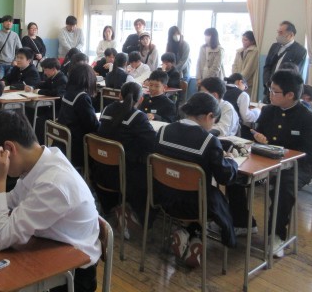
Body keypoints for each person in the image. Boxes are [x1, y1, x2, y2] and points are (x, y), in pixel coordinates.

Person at [0, 111, 101, 292]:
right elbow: (14, 198)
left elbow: (0, 239)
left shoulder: (52, 183)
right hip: (51, 249)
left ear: (9, 149)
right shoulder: (41, 160)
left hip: (74, 275)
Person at [153, 93, 241, 268]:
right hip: (196, 205)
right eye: (214, 120)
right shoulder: (208, 141)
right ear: (209, 116)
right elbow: (224, 177)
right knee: (212, 196)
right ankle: (194, 237)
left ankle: (189, 233)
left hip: (163, 197)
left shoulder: (163, 131)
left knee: (195, 189)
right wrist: (231, 161)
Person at [251, 70, 312, 257]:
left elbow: (309, 155)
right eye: (270, 89)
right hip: (265, 161)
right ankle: (242, 222)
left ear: (290, 95)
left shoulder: (311, 119)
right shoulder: (268, 110)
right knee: (235, 175)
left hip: (297, 167)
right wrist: (258, 137)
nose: (270, 94)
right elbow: (257, 132)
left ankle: (277, 235)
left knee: (283, 186)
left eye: (274, 91)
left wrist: (281, 156)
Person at [97, 82, 155, 238]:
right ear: (140, 99)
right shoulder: (138, 117)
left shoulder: (107, 109)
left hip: (99, 169)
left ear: (119, 95)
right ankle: (133, 214)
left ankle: (117, 208)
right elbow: (153, 142)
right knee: (149, 169)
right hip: (123, 175)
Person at [57, 64, 100, 167]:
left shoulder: (68, 93)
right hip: (77, 146)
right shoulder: (82, 97)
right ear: (88, 79)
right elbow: (93, 125)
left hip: (64, 142)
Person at [262, 21, 307, 103]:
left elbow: (294, 73)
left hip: (284, 92)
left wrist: (279, 87)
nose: (278, 35)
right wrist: (267, 83)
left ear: (291, 35)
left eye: (281, 32)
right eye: (278, 32)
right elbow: (267, 66)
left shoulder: (300, 51)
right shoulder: (275, 46)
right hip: (269, 89)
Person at [224, 73, 260, 140]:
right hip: (234, 130)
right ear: (240, 82)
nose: (244, 89)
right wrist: (257, 111)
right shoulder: (243, 94)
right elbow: (246, 117)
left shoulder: (221, 90)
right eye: (245, 87)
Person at [0, 15, 23, 79]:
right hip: (0, 63)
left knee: (11, 81)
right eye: (7, 21)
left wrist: (16, 60)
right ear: (2, 23)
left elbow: (20, 49)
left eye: (11, 22)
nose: (9, 23)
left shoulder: (15, 35)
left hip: (12, 64)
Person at [232, 31, 259, 99]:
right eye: (242, 39)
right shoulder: (239, 51)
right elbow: (234, 65)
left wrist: (239, 80)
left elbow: (249, 69)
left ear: (252, 41)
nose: (243, 41)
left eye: (245, 40)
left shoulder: (254, 51)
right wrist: (234, 78)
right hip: (236, 82)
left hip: (247, 83)